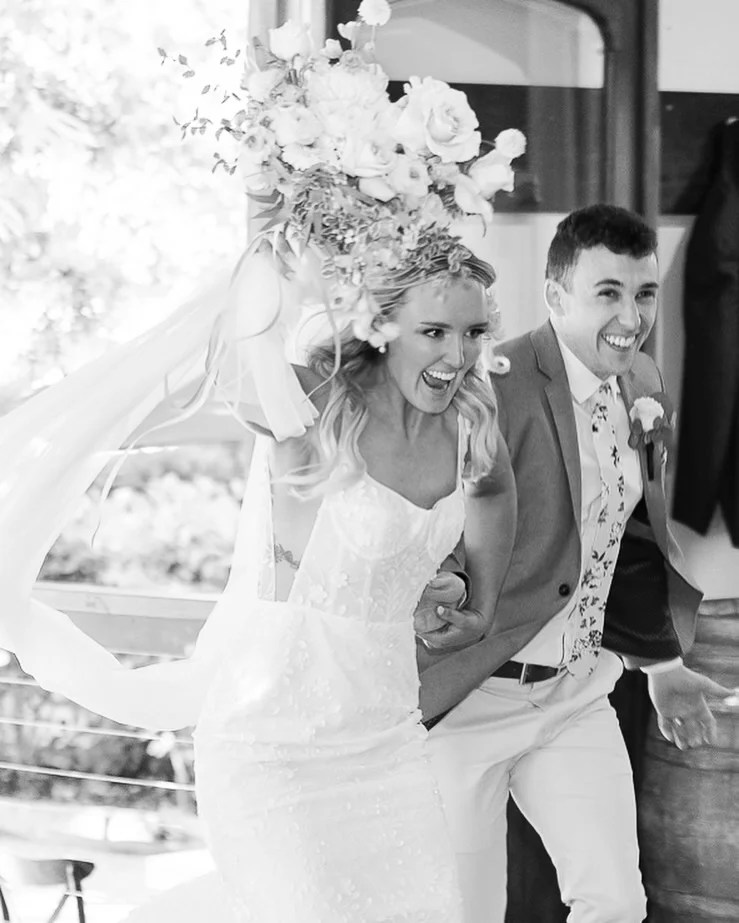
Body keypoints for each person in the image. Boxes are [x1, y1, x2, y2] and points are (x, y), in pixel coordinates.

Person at [0, 6, 521, 921]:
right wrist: (314, 208)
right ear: (381, 325)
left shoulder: (473, 428)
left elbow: (494, 513)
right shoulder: (311, 412)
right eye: (434, 331)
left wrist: (474, 603)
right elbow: (249, 321)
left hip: (386, 752)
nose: (457, 354)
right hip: (270, 750)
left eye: (472, 332)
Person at [414, 204, 735, 923]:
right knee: (466, 911)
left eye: (644, 292)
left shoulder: (641, 381)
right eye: (607, 293)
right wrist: (443, 587)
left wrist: (662, 666)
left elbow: (629, 537)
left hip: (575, 695)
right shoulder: (492, 384)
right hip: (470, 697)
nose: (631, 316)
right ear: (555, 296)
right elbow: (435, 518)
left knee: (616, 903)